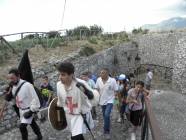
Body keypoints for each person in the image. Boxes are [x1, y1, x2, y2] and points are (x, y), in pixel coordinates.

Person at [56, 62, 94, 140]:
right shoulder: (59, 85)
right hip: (69, 116)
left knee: (75, 137)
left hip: (81, 115)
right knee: (77, 135)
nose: (60, 77)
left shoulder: (81, 84)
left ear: (71, 75)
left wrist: (87, 92)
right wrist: (59, 115)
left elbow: (93, 98)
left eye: (63, 75)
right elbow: (60, 102)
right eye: (59, 74)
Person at [6, 68, 42, 140]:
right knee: (32, 123)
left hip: (28, 110)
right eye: (10, 78)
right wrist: (9, 96)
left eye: (12, 78)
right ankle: (39, 136)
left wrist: (31, 111)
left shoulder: (27, 85)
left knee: (22, 127)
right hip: (21, 110)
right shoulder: (13, 87)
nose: (11, 80)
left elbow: (36, 100)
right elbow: (15, 99)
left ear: (18, 76)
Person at [95, 68, 118, 139]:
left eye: (103, 73)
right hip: (102, 101)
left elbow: (116, 90)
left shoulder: (112, 80)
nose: (101, 74)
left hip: (110, 100)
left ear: (107, 73)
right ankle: (107, 124)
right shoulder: (98, 80)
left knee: (107, 115)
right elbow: (96, 89)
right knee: (105, 115)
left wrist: (116, 102)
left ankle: (106, 130)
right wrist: (97, 99)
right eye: (101, 73)